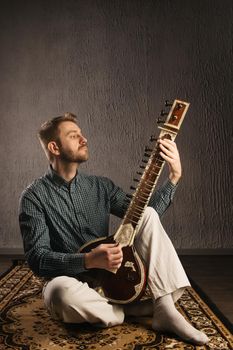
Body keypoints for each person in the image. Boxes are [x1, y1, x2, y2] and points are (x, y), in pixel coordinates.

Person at [19, 113, 209, 345]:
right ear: (54, 147)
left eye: (82, 133)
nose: (84, 139)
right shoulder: (34, 197)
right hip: (72, 282)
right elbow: (37, 258)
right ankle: (130, 311)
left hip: (114, 278)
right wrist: (87, 260)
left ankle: (165, 310)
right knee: (59, 293)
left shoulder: (101, 186)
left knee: (146, 213)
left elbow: (146, 221)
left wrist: (173, 177)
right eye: (74, 135)